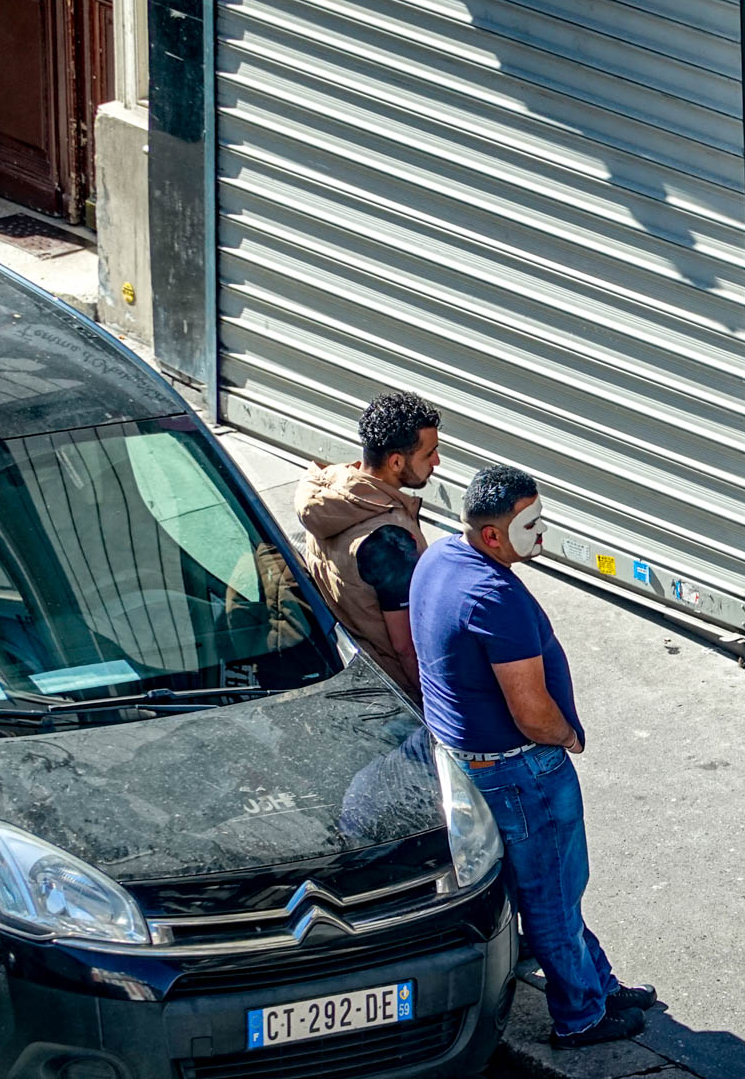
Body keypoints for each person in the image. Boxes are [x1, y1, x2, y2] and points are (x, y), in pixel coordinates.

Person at [409, 465, 655, 1049]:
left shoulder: (438, 558)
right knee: (553, 895)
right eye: (530, 525)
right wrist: (567, 736)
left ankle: (598, 983)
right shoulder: (495, 597)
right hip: (523, 771)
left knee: (550, 889)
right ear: (493, 535)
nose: (542, 533)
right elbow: (531, 711)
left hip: (474, 764)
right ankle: (581, 1016)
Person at [295, 392, 440, 699]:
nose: (437, 462)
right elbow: (407, 648)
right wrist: (435, 705)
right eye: (429, 454)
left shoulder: (331, 487)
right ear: (396, 461)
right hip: (394, 687)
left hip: (351, 663)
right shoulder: (389, 541)